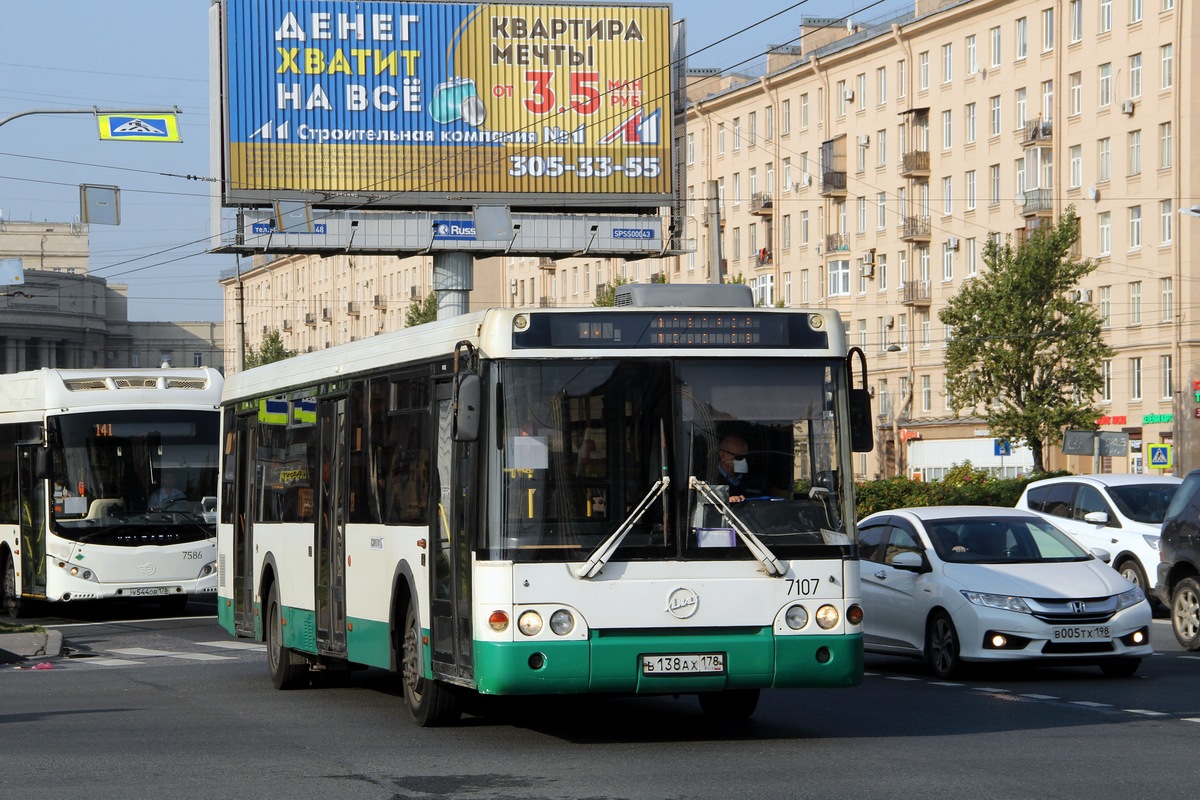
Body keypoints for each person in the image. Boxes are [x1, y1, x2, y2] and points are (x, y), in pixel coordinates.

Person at [713, 434, 767, 503]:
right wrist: (726, 500)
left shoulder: (756, 481)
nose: (744, 460)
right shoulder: (708, 478)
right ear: (722, 454)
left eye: (746, 457)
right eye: (739, 457)